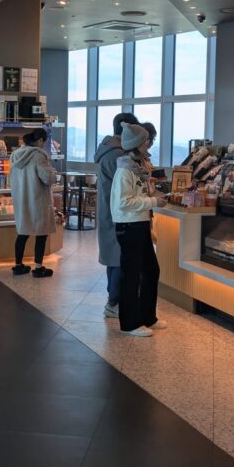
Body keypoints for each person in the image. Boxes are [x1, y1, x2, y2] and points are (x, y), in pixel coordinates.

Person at [111, 123, 166, 337]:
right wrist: (153, 201)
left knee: (151, 271)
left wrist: (153, 194)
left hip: (140, 224)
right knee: (132, 275)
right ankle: (129, 323)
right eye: (145, 140)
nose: (148, 144)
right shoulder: (125, 170)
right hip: (129, 225)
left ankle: (147, 317)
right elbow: (123, 202)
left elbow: (138, 194)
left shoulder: (138, 167)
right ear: (136, 144)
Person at [94, 112, 139, 318]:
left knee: (113, 256)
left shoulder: (107, 149)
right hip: (117, 210)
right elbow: (125, 186)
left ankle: (112, 298)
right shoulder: (118, 155)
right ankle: (113, 301)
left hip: (107, 207)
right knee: (119, 256)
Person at [9, 128, 58, 278]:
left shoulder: (15, 155)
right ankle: (38, 267)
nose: (44, 145)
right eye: (45, 142)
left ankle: (18, 266)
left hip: (21, 198)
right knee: (41, 233)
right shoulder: (38, 156)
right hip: (37, 199)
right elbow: (48, 178)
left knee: (23, 232)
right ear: (41, 140)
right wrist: (53, 172)